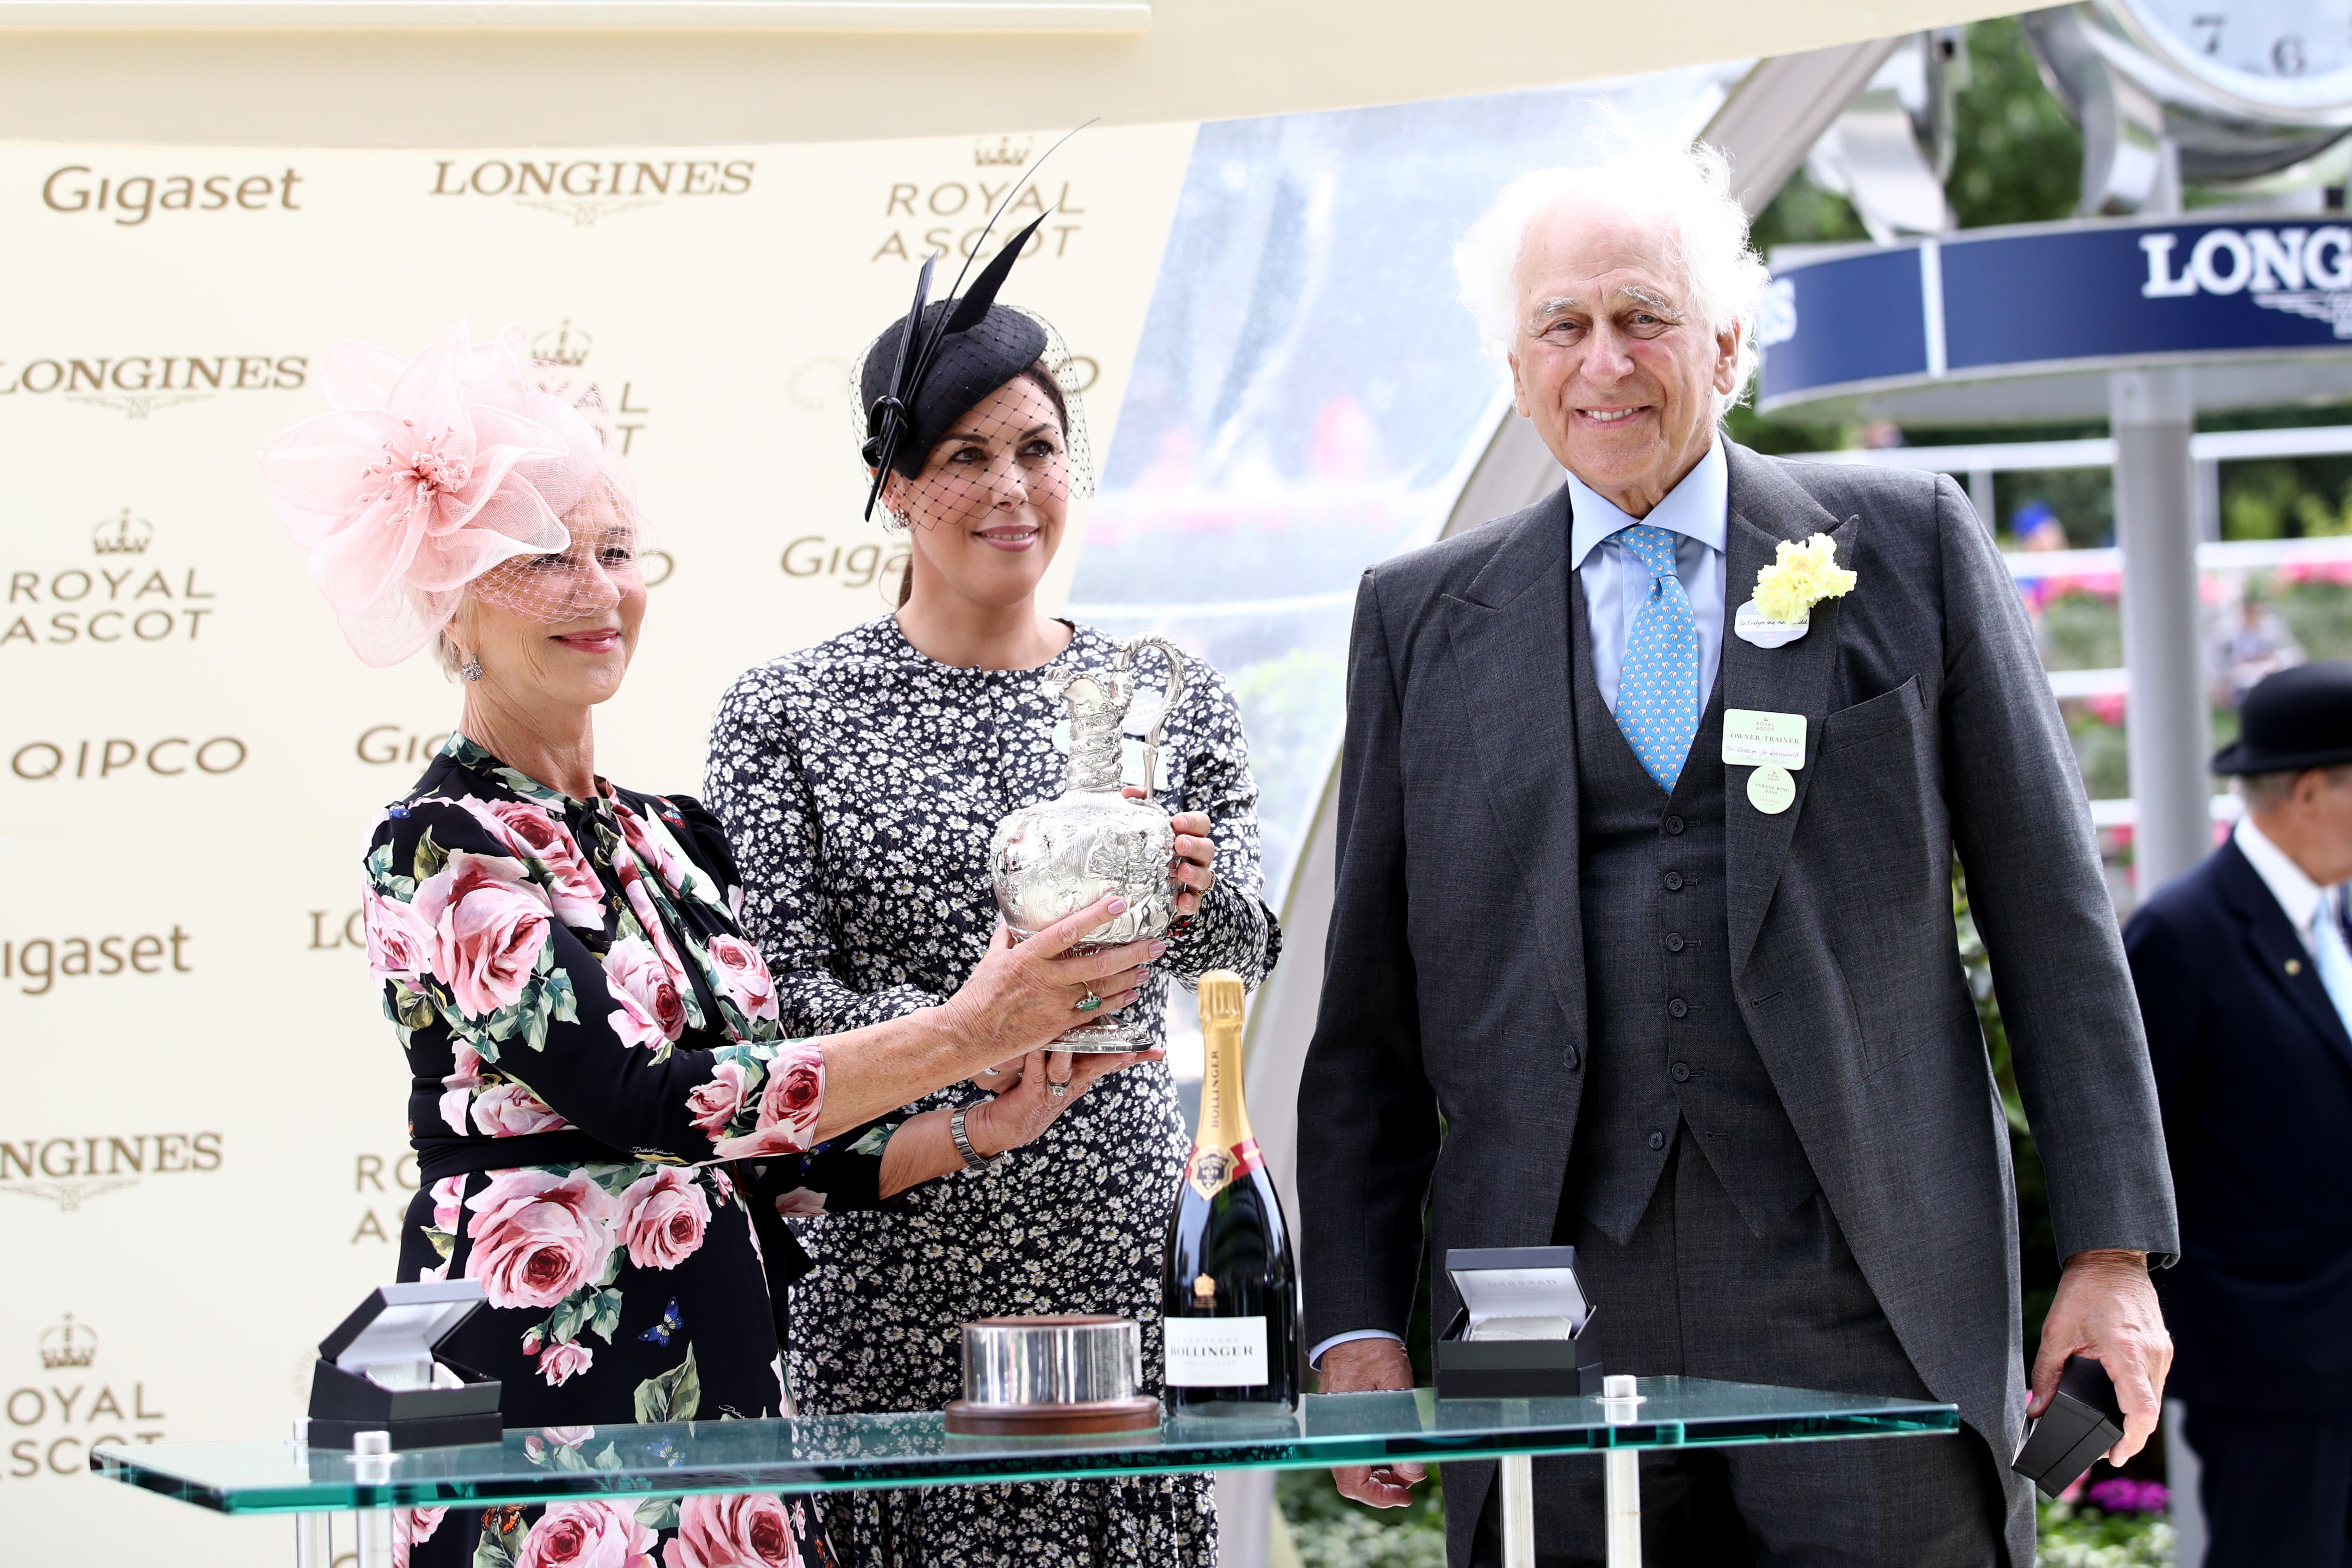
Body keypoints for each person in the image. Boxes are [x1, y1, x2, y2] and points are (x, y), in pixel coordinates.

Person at [1294, 145, 2177, 1567]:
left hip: (1864, 1282)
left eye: (1641, 316)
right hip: (1533, 1299)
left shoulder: (1907, 546)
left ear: (1725, 339)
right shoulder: (1418, 620)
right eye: (1560, 326)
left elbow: (2052, 922)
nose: (1604, 362)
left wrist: (2110, 1255)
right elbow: (1368, 1024)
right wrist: (1349, 1328)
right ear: (1512, 366)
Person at [260, 322, 1160, 1568]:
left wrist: (973, 1121)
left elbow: (768, 1157)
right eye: (541, 560)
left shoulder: (675, 835)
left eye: (615, 552)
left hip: (724, 1381)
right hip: (547, 1401)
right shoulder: (437, 845)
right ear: (452, 602)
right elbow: (646, 1102)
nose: (596, 589)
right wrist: (968, 1029)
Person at [705, 259, 1278, 1567]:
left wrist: (1196, 909)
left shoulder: (1165, 697)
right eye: (964, 455)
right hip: (891, 1265)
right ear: (893, 481)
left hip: (1114, 1254)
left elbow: (1238, 973)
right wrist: (978, 1031)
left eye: (1038, 448)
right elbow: (774, 1020)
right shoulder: (789, 715)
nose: (1011, 489)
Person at [2126, 661, 2352, 1567]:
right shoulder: (2184, 934)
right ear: (2309, 791)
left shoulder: (2339, 915)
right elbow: (2137, 1153)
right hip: (2271, 1368)